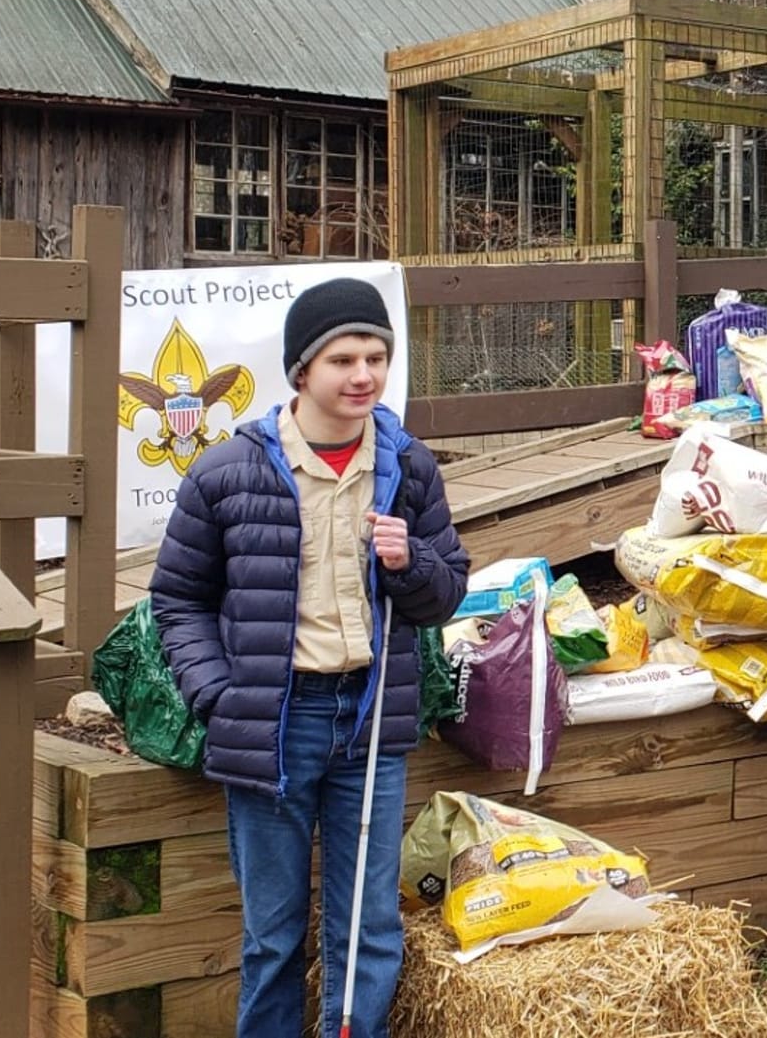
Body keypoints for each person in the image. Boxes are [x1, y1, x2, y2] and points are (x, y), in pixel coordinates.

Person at [151, 278, 468, 1037]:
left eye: (377, 356)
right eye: (343, 358)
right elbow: (178, 599)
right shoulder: (228, 471)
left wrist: (411, 560)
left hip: (367, 726)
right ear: (302, 371)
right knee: (273, 935)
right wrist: (218, 694)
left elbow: (446, 590)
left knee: (369, 926)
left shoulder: (407, 466)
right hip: (273, 725)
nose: (364, 374)